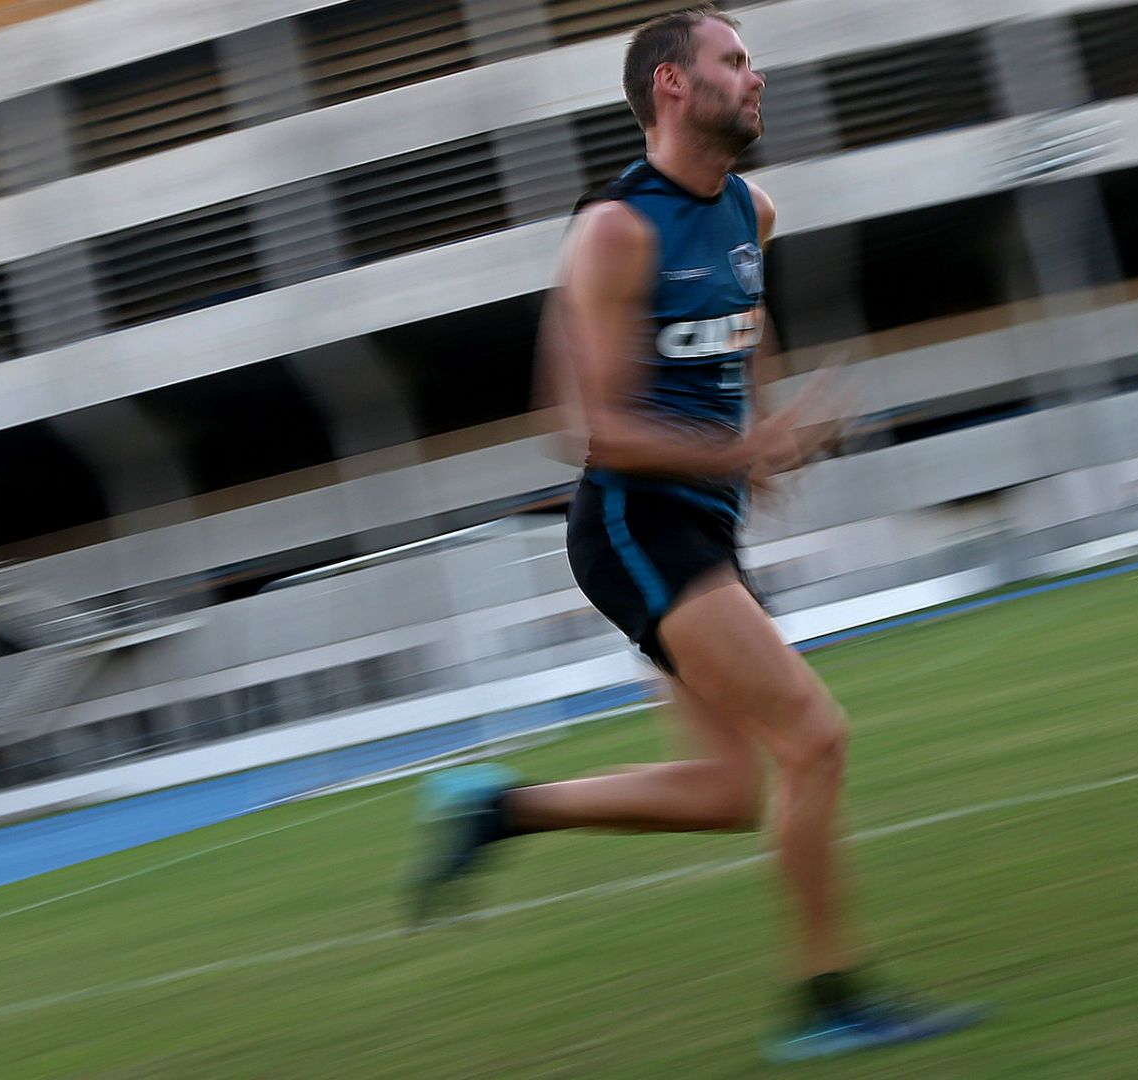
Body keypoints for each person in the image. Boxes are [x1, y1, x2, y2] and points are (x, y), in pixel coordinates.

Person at [408, 6, 982, 1063]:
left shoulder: (752, 209)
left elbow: (739, 332)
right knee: (815, 740)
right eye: (735, 61)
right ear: (673, 85)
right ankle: (828, 1006)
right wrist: (741, 449)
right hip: (634, 525)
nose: (756, 78)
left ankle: (499, 810)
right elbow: (585, 428)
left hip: (702, 522)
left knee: (726, 793)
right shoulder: (616, 230)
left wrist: (761, 440)